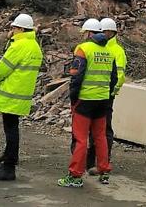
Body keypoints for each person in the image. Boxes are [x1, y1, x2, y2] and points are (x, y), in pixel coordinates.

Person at [59, 19, 116, 188]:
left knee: (81, 138)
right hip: (103, 100)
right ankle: (104, 171)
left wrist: (73, 97)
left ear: (90, 33)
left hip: (84, 101)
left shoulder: (84, 49)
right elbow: (114, 79)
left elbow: (76, 76)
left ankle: (75, 176)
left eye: (85, 33)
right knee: (100, 136)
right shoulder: (109, 51)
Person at [0, 13, 43, 182]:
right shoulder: (34, 46)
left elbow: (2, 69)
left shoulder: (18, 46)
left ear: (20, 29)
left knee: (11, 130)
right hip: (22, 96)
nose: (11, 31)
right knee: (12, 128)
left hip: (10, 95)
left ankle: (9, 168)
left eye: (13, 28)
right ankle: (8, 159)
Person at [86, 17, 126, 174]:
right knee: (92, 129)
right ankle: (89, 162)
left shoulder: (117, 51)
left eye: (103, 31)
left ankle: (103, 162)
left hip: (106, 96)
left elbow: (120, 76)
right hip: (95, 94)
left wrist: (111, 93)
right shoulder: (99, 48)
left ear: (111, 32)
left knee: (105, 129)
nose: (100, 34)